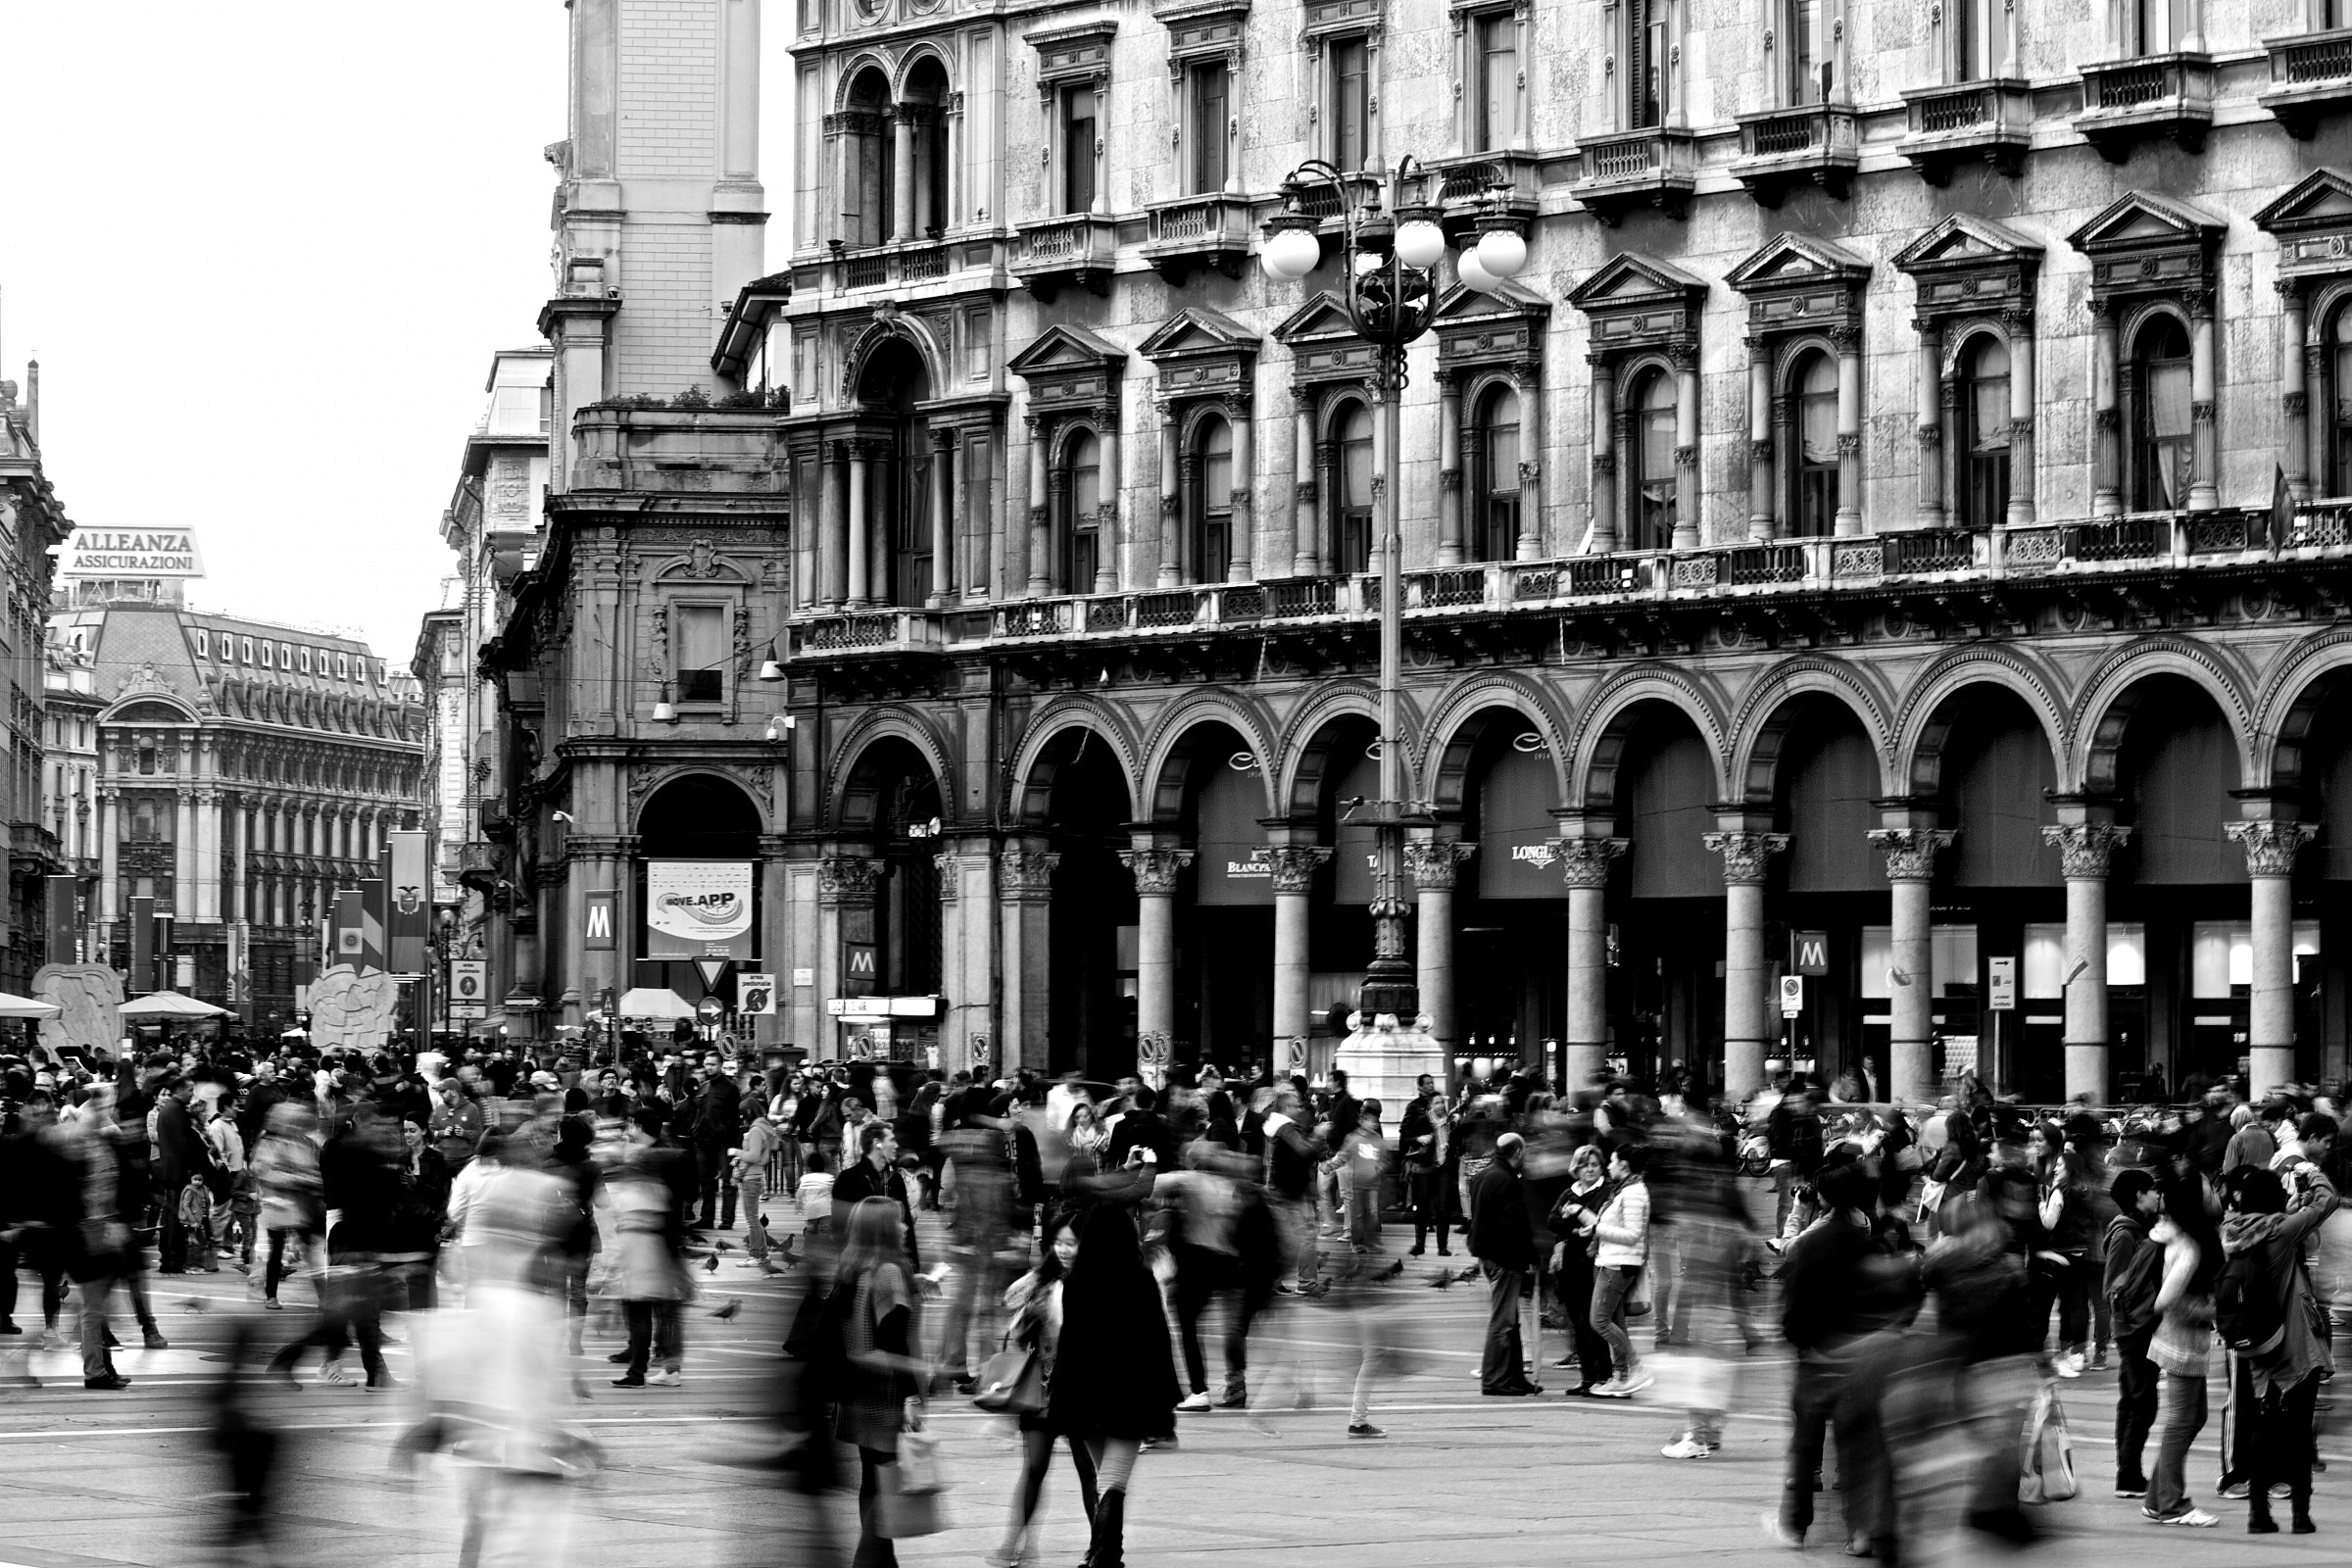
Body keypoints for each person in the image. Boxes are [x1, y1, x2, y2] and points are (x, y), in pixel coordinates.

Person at [1046, 1203, 1181, 1568]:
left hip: (1083, 1394)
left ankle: (1102, 1553)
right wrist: (1166, 1400)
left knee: (1105, 1476)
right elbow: (1158, 1341)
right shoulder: (1140, 1280)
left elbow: (1068, 1344)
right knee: (1114, 1480)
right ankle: (1106, 1555)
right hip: (1128, 1395)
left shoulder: (1074, 1283)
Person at [2220, 1155, 2340, 1534]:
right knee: (2299, 1430)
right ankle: (2301, 1516)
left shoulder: (2235, 1231)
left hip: (2260, 1343)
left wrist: (2285, 1209)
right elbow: (2329, 1202)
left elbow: (2275, 1220)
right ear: (2274, 1201)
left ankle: (2259, 1514)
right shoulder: (2281, 1233)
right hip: (2295, 1345)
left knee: (2264, 1427)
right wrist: (2313, 1174)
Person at [990, 1212, 1097, 1568]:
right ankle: (1015, 1545)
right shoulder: (1044, 1280)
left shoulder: (1096, 1281)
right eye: (1059, 1243)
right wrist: (1041, 1276)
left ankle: (1101, 1546)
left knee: (1088, 1470)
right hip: (1042, 1390)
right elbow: (1009, 1299)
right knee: (1034, 1467)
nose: (1065, 1250)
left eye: (1072, 1243)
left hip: (1080, 1390)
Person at [832, 1195, 928, 1568]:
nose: (906, 1228)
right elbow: (893, 1340)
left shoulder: (853, 1265)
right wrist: (912, 1397)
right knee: (886, 1485)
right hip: (884, 1394)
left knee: (873, 1481)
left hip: (855, 1392)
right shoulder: (889, 1272)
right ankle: (866, 1562)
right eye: (900, 1222)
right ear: (884, 1229)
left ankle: (883, 1563)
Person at [2145, 1175, 2225, 1527]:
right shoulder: (2190, 1247)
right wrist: (2213, 1312)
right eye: (2208, 1190)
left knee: (2194, 1418)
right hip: (2181, 1345)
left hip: (2187, 1344)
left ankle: (2155, 1498)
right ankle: (2171, 1504)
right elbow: (2165, 1301)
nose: (2215, 1194)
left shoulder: (2196, 1240)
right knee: (2180, 1422)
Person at [2103, 1167, 2167, 1499]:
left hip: (2138, 1327)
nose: (2157, 1195)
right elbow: (2113, 1286)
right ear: (2139, 1195)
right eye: (2152, 1190)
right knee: (2140, 1402)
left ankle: (2128, 1473)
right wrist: (2137, 1316)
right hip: (2134, 1330)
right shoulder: (2126, 1235)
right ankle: (2128, 1474)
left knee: (2134, 1400)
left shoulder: (2143, 1229)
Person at [1583, 1142, 1655, 1398]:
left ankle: (1637, 1367)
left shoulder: (1633, 1193)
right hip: (1610, 1260)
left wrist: (1596, 1229)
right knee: (1614, 1321)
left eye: (1612, 1161)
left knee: (1599, 1321)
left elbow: (1633, 1234)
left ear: (1623, 1165)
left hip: (1618, 1264)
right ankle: (1620, 1377)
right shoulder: (1625, 1190)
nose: (1608, 1166)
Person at [1469, 1132, 1540, 1396]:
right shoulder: (1505, 1179)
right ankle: (1496, 1379)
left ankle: (1513, 1376)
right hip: (1504, 1257)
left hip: (1490, 1255)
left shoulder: (1485, 1175)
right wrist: (1530, 1255)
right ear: (1518, 1152)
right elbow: (1513, 1225)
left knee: (1510, 1320)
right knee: (1503, 1321)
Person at [1548, 1144, 1614, 1396]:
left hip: (1593, 1265)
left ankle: (1603, 1376)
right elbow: (1552, 1221)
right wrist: (1575, 1229)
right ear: (1576, 1167)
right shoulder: (1569, 1192)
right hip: (1569, 1267)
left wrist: (1576, 1216)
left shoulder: (1606, 1191)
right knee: (1576, 1323)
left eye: (1595, 1165)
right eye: (1585, 1165)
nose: (1590, 1169)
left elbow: (1600, 1221)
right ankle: (1587, 1377)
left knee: (1594, 1322)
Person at [833, 1121, 921, 1268]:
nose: (896, 1145)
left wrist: (914, 1268)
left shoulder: (895, 1180)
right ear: (877, 1143)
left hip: (892, 1264)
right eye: (891, 1140)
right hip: (861, 1267)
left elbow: (907, 1228)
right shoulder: (848, 1179)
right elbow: (840, 1230)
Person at [1399, 1074, 1451, 1256]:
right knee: (1422, 1207)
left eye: (1442, 1103)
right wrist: (1419, 1138)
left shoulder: (1451, 1123)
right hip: (1425, 1168)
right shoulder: (1422, 1119)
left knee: (1443, 1208)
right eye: (1436, 1103)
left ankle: (1442, 1246)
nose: (1440, 1106)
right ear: (1430, 1105)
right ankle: (1419, 1244)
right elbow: (1404, 1136)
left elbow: (1458, 1142)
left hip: (1443, 1168)